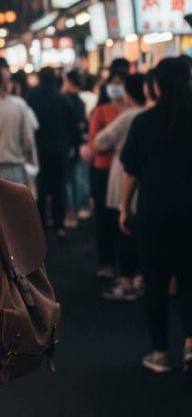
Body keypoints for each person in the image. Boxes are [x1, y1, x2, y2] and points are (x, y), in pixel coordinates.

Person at [119, 57, 192, 373]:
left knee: (155, 282)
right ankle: (190, 343)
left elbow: (131, 171)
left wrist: (124, 207)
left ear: (157, 84)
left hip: (154, 212)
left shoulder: (144, 121)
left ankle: (160, 353)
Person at [95, 74, 147, 301]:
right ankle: (141, 277)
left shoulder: (129, 116)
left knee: (125, 227)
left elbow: (100, 141)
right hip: (151, 178)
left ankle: (127, 281)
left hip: (124, 173)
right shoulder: (155, 113)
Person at [27, 67, 79, 237]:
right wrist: (73, 146)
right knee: (59, 187)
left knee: (41, 187)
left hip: (39, 149)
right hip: (60, 149)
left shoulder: (31, 98)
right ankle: (59, 225)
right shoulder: (63, 98)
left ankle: (41, 223)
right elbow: (73, 126)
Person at [89, 62, 129, 278]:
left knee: (124, 219)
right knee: (105, 219)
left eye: (121, 84)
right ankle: (106, 262)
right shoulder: (101, 111)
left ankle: (128, 267)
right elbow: (96, 142)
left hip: (128, 171)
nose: (116, 88)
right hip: (104, 170)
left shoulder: (133, 109)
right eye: (113, 84)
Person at [62, 69, 89, 227]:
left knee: (68, 180)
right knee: (78, 179)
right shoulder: (80, 102)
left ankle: (71, 213)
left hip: (69, 146)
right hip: (78, 145)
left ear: (70, 82)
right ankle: (80, 209)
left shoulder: (67, 100)